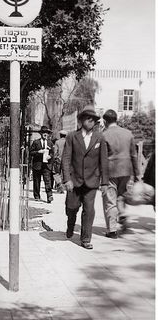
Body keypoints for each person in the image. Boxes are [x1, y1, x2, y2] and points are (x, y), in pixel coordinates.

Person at [62, 105, 109, 249]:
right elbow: (66, 158)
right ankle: (71, 223)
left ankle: (85, 239)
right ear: (81, 120)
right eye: (88, 119)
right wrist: (67, 179)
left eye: (93, 119)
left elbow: (104, 161)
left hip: (92, 180)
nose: (91, 121)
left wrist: (105, 182)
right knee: (72, 207)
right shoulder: (72, 137)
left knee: (89, 209)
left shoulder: (99, 138)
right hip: (74, 180)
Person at [102, 109, 140, 237]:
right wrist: (137, 174)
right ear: (116, 119)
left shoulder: (104, 135)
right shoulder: (128, 133)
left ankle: (112, 230)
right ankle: (122, 212)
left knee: (110, 200)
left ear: (105, 121)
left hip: (110, 171)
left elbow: (100, 157)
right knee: (121, 196)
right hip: (126, 170)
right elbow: (134, 155)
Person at [29, 125, 54, 203]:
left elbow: (53, 153)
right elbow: (30, 152)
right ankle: (37, 195)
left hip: (46, 165)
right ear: (41, 134)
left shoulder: (50, 143)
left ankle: (49, 196)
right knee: (37, 181)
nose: (45, 134)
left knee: (48, 180)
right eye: (43, 133)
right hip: (37, 164)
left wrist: (50, 156)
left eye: (46, 133)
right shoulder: (36, 142)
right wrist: (38, 152)